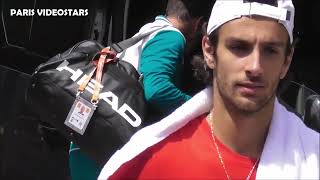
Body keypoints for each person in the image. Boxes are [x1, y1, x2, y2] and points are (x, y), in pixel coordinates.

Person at [98, 0, 320, 179]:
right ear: (209, 51)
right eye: (239, 47)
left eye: (270, 50)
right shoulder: (149, 161)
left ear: (286, 61)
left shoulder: (312, 159)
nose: (255, 67)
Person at [69, 0, 213, 180]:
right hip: (107, 146)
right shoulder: (171, 37)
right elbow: (157, 90)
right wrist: (201, 111)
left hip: (91, 138)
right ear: (199, 24)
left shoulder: (148, 31)